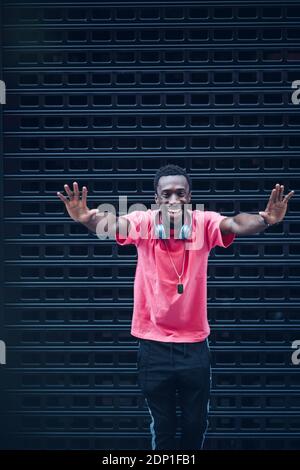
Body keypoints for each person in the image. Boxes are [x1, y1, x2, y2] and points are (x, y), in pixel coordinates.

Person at [57, 164, 294, 450]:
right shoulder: (143, 222)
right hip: (153, 344)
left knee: (196, 423)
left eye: (180, 194)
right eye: (166, 194)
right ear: (156, 199)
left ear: (189, 197)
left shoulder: (203, 223)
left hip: (194, 345)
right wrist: (86, 220)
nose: (173, 200)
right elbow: (115, 224)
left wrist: (265, 219)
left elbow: (235, 224)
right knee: (164, 425)